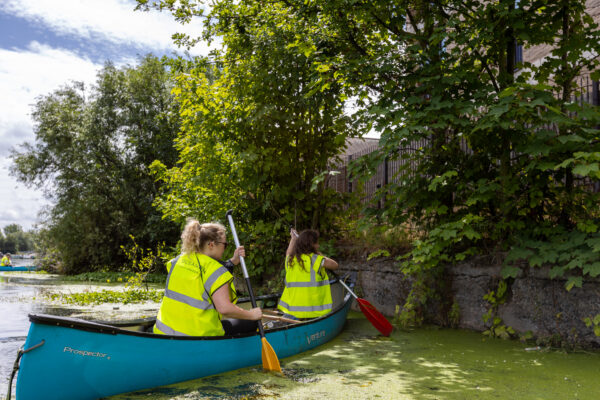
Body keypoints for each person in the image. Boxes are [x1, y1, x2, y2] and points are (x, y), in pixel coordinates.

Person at [154, 220, 262, 336]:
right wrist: (252, 315)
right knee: (252, 323)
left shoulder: (177, 261)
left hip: (163, 332)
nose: (225, 248)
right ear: (211, 244)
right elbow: (225, 309)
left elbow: (200, 271)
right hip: (197, 336)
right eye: (224, 245)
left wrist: (232, 262)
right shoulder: (216, 271)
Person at [277, 228, 339, 320]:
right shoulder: (317, 259)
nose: (318, 245)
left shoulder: (290, 260)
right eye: (316, 243)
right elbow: (335, 265)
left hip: (292, 312)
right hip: (313, 313)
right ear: (312, 245)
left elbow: (288, 253)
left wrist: (293, 239)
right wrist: (318, 254)